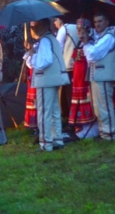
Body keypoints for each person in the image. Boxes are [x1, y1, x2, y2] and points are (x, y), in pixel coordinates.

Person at [24, 19, 69, 151]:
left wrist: (32, 56)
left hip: (45, 79)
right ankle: (57, 139)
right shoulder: (51, 39)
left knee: (44, 112)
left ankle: (46, 143)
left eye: (34, 26)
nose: (32, 29)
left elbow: (44, 61)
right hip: (53, 79)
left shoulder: (44, 41)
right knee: (54, 110)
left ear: (41, 27)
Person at [82, 13, 115, 141]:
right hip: (97, 76)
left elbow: (93, 55)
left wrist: (87, 44)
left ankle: (109, 134)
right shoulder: (99, 37)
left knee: (105, 106)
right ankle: (104, 132)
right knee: (98, 107)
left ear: (107, 22)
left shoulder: (108, 37)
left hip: (104, 75)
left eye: (100, 21)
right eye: (95, 22)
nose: (97, 24)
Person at [69, 18, 98, 138]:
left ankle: (89, 127)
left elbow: (90, 58)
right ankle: (80, 125)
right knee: (77, 98)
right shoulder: (79, 42)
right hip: (77, 76)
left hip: (85, 75)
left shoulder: (90, 42)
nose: (79, 32)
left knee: (86, 98)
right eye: (78, 29)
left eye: (81, 29)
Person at [54, 17, 79, 123]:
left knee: (67, 93)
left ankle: (69, 116)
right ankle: (77, 114)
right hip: (79, 63)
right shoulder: (78, 27)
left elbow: (57, 47)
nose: (55, 22)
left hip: (67, 64)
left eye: (56, 20)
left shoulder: (64, 29)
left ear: (61, 20)